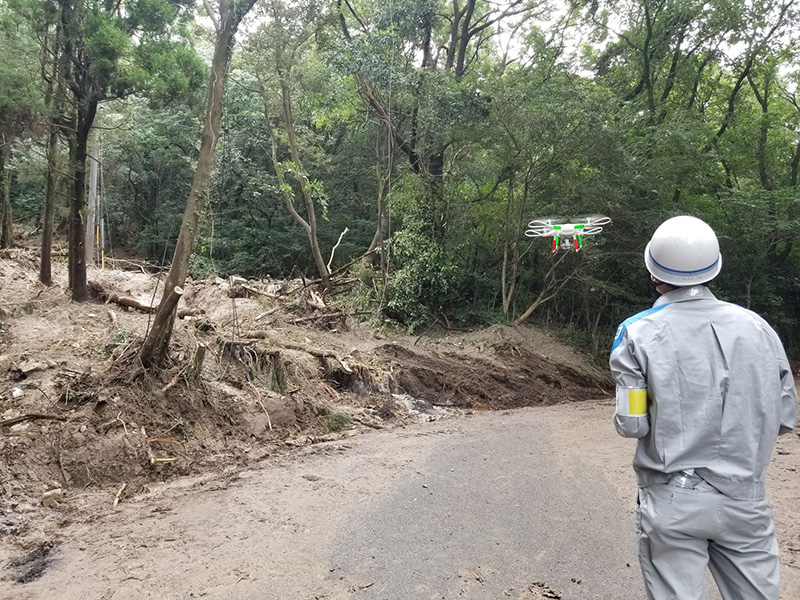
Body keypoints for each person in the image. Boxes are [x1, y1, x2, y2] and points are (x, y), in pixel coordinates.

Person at [609, 215, 798, 600]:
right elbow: (784, 416)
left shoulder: (636, 332)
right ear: (714, 268)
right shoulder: (760, 329)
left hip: (672, 500)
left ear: (652, 272)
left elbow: (632, 424)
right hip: (746, 501)